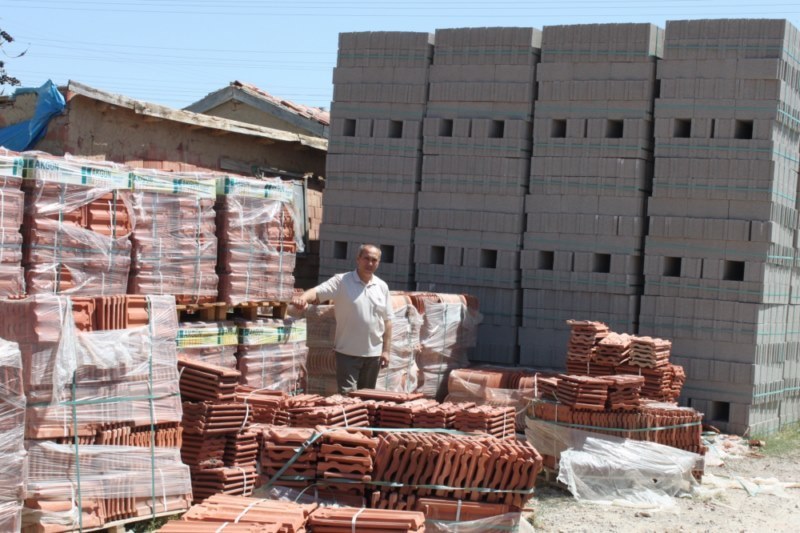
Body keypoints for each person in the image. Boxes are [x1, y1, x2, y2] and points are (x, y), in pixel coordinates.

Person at [291, 243, 393, 393]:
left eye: (374, 260)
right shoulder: (342, 281)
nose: (370, 263)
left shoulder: (382, 287)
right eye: (366, 259)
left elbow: (388, 321)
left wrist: (386, 351)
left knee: (368, 398)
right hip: (347, 353)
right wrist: (303, 299)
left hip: (373, 355)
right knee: (347, 397)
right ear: (358, 259)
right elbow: (317, 292)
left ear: (378, 262)